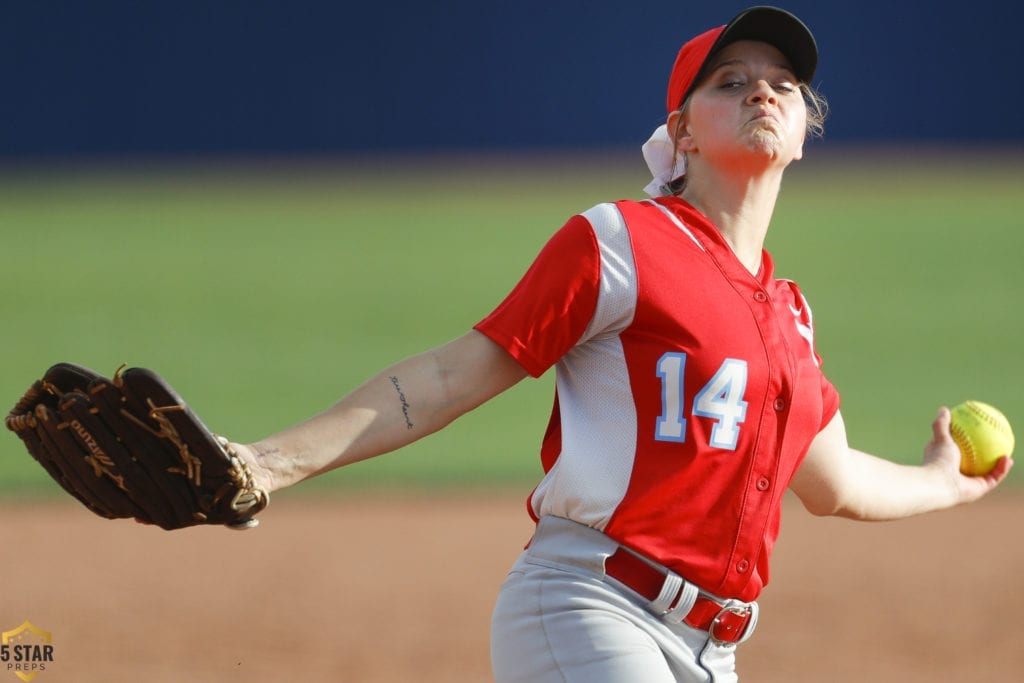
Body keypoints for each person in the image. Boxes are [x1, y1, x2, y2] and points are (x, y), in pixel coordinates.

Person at [231, 6, 1013, 682]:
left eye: (782, 83)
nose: (763, 91)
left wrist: (943, 480)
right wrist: (269, 462)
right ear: (682, 131)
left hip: (711, 651)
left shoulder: (791, 318)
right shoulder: (619, 242)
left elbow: (834, 482)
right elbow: (446, 375)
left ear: (806, 131)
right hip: (590, 607)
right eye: (731, 82)